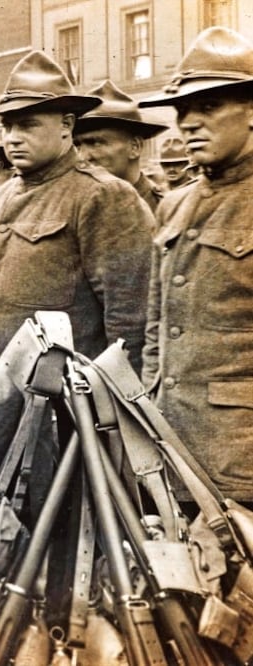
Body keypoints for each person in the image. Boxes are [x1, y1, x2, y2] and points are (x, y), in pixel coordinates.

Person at [0, 50, 154, 381]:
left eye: (27, 125)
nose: (13, 137)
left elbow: (129, 322)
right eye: (7, 125)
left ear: (66, 125)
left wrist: (115, 410)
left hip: (66, 410)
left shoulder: (102, 195)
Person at [138, 26, 253, 504]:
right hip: (174, 448)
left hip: (242, 457)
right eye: (183, 110)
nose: (189, 122)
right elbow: (156, 327)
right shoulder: (175, 206)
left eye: (208, 107)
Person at [73, 79, 168, 213]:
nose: (82, 157)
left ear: (135, 147)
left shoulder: (165, 209)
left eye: (96, 143)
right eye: (77, 146)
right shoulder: (75, 208)